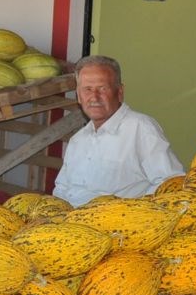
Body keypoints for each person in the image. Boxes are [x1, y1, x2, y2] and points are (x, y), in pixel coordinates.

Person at [53, 55, 184, 206]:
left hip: (117, 225)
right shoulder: (78, 140)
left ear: (120, 92)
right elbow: (61, 190)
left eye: (102, 88)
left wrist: (130, 212)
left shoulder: (140, 128)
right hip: (70, 224)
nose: (94, 97)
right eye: (87, 89)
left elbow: (171, 182)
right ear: (79, 96)